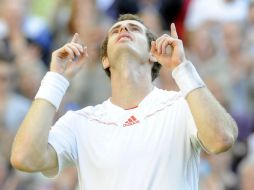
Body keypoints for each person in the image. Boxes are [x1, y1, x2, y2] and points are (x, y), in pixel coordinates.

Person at [10, 14, 238, 190]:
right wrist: (56, 79)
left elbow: (222, 138)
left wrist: (182, 68)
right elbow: (24, 157)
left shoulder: (183, 106)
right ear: (106, 59)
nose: (124, 29)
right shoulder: (79, 122)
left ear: (153, 54)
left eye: (134, 28)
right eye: (116, 29)